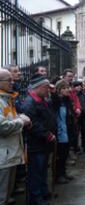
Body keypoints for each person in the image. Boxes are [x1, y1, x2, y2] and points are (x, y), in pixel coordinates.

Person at [21, 74, 57, 205]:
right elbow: (33, 125)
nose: (48, 90)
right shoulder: (30, 103)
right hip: (36, 145)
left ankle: (43, 192)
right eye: (46, 87)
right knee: (35, 172)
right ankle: (36, 198)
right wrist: (47, 134)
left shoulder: (41, 100)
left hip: (43, 144)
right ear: (39, 87)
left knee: (42, 170)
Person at [0, 69, 31, 205]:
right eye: (9, 80)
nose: (13, 82)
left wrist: (19, 118)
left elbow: (9, 118)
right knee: (2, 194)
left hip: (10, 153)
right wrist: (21, 121)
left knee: (7, 193)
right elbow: (2, 127)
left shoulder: (6, 98)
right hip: (3, 155)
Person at [50, 80, 75, 184]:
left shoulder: (66, 100)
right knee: (59, 155)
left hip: (67, 130)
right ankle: (58, 175)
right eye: (64, 88)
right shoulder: (56, 101)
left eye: (68, 87)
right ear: (59, 90)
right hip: (60, 131)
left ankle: (63, 173)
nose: (68, 90)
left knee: (65, 154)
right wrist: (53, 92)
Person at [73, 81, 85, 153]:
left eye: (80, 86)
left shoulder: (83, 93)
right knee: (76, 132)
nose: (79, 87)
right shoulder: (73, 94)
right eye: (77, 86)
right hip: (77, 115)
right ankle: (76, 148)